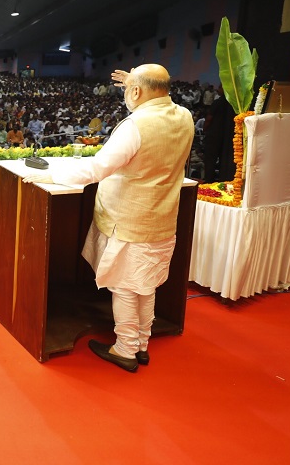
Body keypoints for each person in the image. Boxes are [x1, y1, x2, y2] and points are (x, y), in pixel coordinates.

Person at [22, 64, 194, 373]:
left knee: (126, 287)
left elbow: (95, 170)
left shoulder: (135, 125)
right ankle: (141, 344)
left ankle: (125, 349)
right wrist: (136, 83)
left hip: (129, 219)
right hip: (162, 217)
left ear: (138, 92)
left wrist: (49, 171)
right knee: (147, 284)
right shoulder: (184, 116)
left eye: (131, 89)